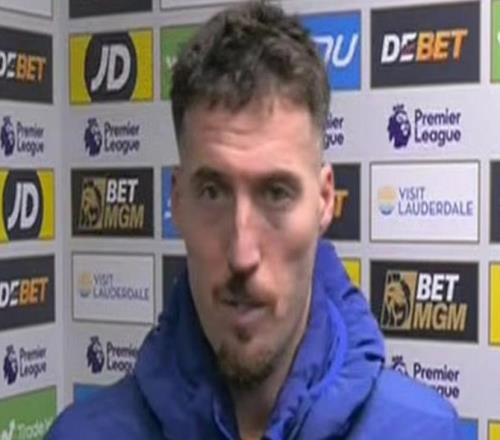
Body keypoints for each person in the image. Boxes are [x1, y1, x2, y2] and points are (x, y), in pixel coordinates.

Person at [48, 1, 460, 438]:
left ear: (324, 201)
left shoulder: (425, 431)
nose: (242, 253)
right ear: (177, 202)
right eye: (213, 192)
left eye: (276, 193)